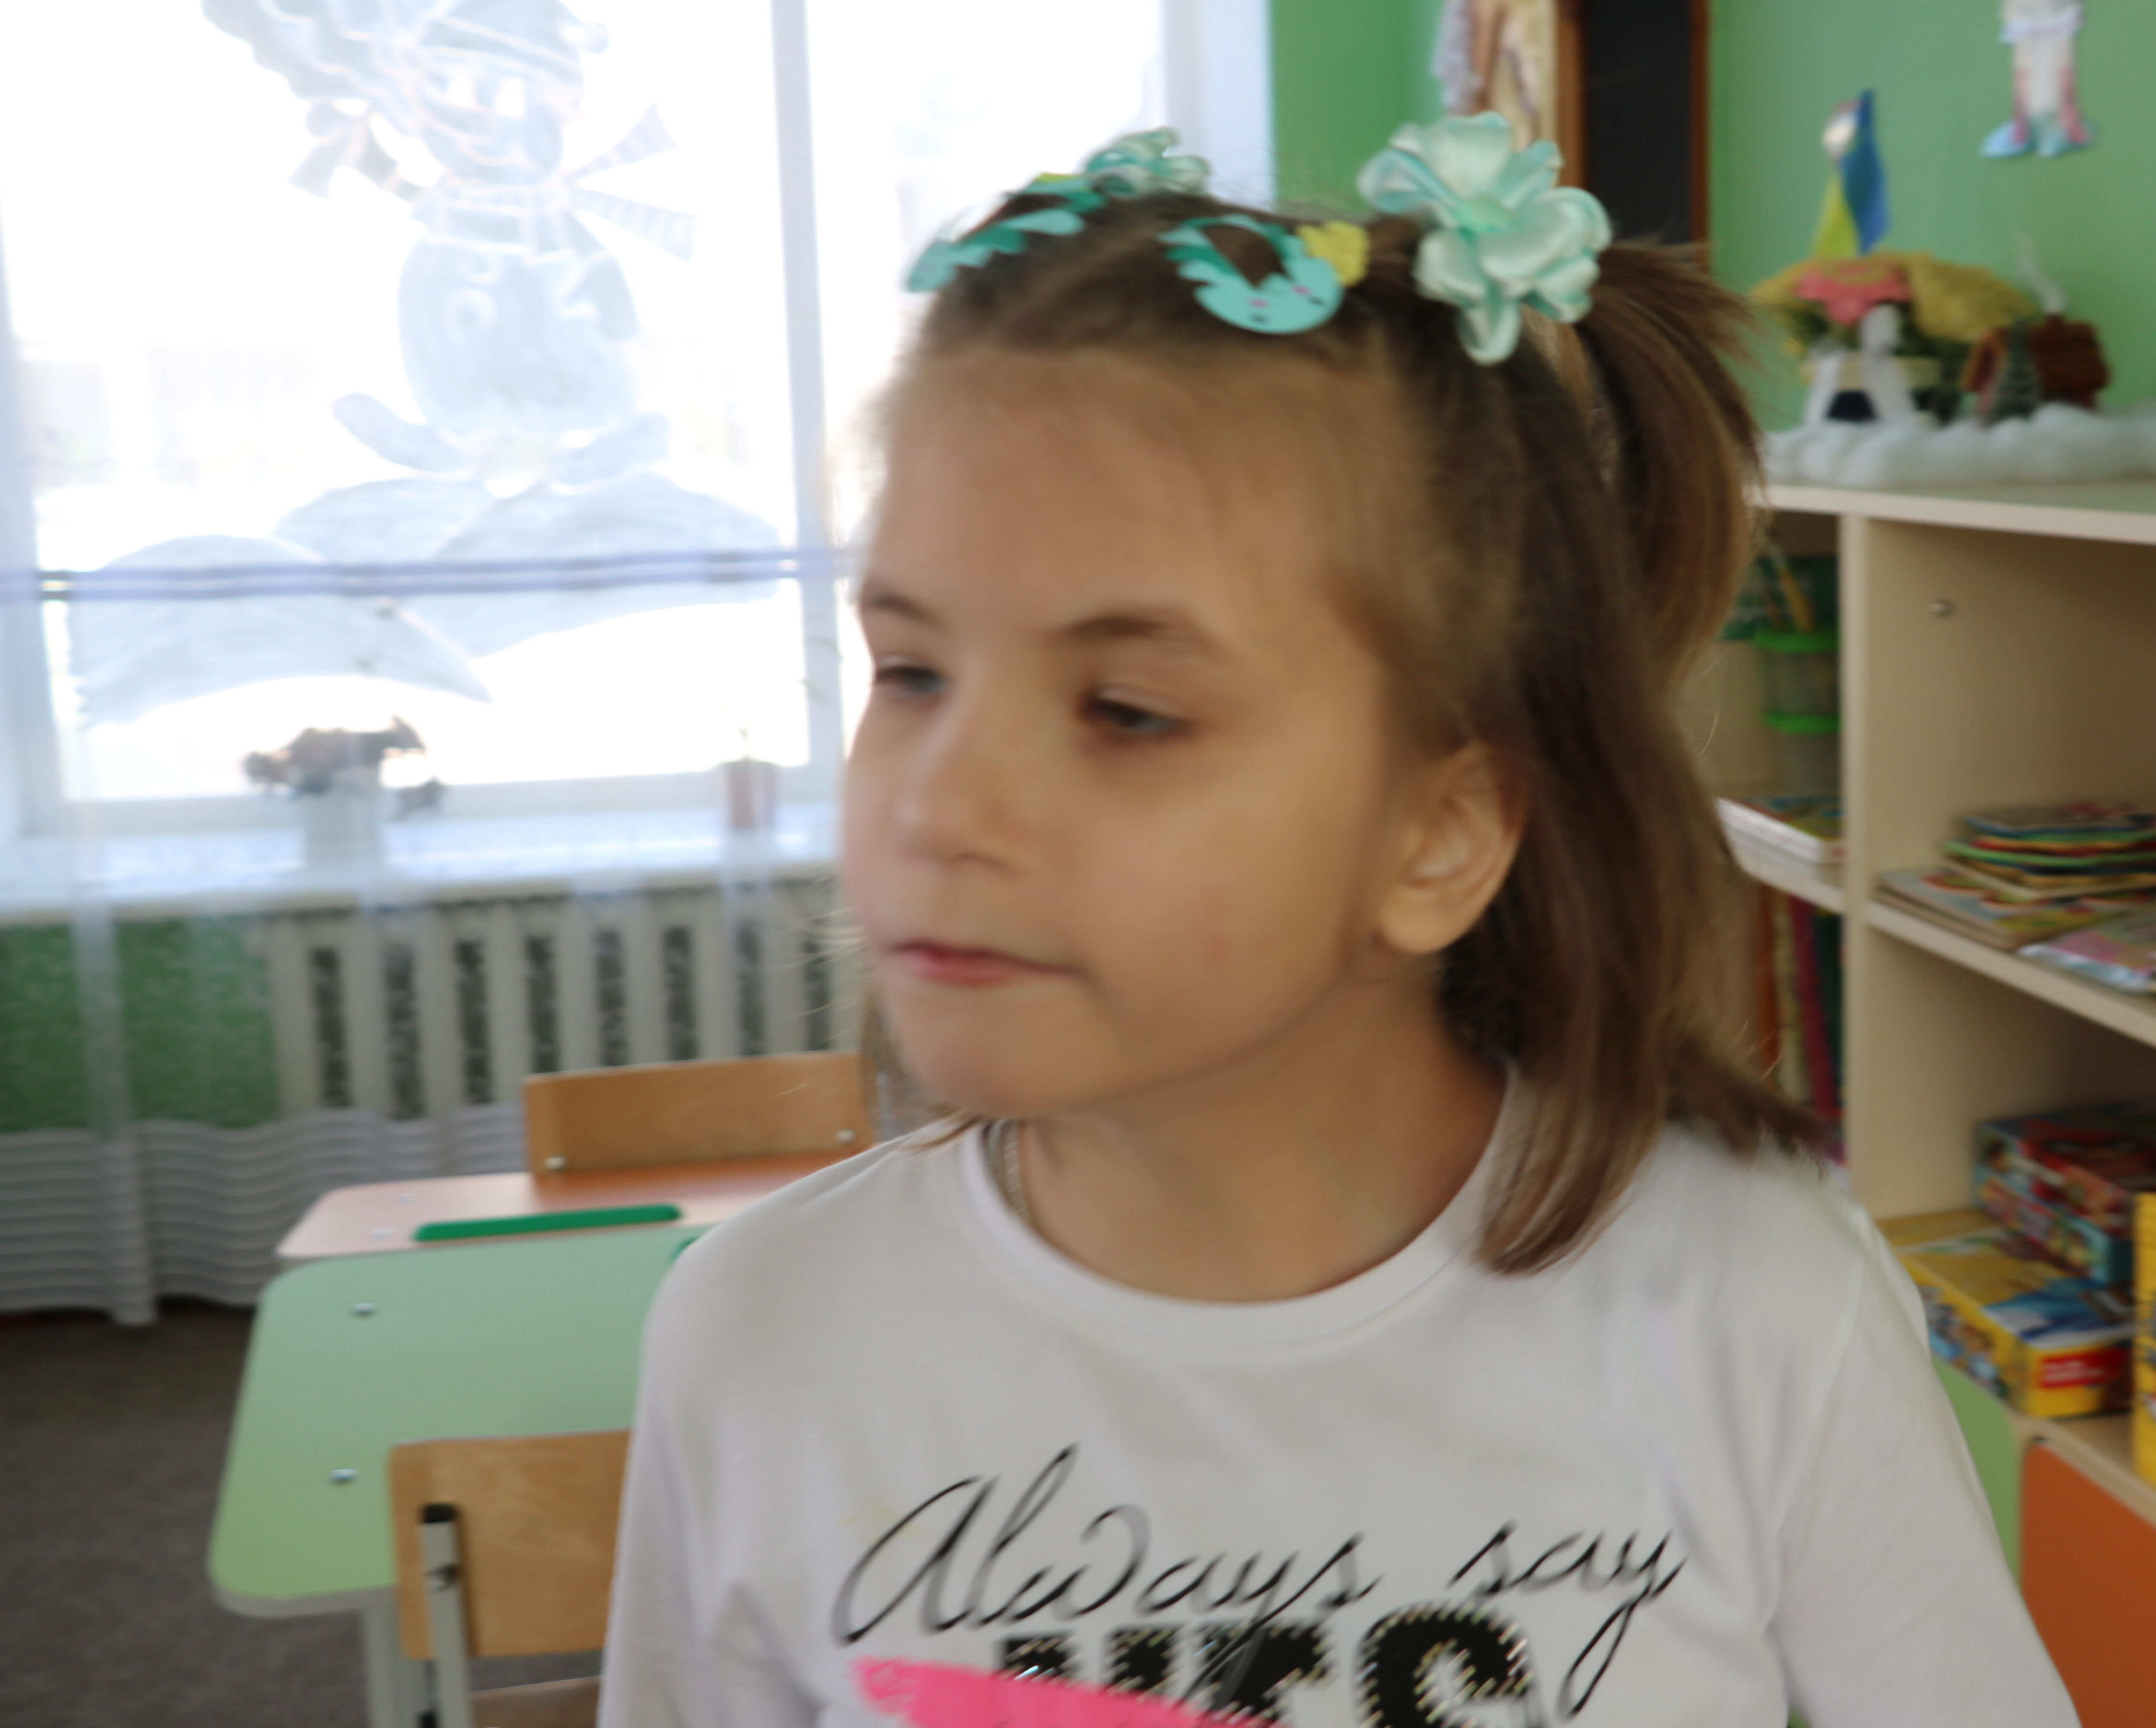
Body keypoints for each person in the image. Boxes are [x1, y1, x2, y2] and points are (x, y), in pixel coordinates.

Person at [600, 120, 2078, 1728]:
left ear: (1440, 838)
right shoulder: (760, 1340)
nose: (939, 804)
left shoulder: (1755, 1296)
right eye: (912, 672)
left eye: (1126, 710)